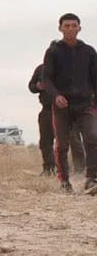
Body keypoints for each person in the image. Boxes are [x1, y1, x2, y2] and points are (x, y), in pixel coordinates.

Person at [40, 13, 97, 194]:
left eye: (74, 26)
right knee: (62, 144)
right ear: (60, 28)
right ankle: (64, 181)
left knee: (92, 137)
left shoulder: (89, 51)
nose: (71, 29)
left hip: (85, 104)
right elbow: (46, 79)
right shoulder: (53, 51)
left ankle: (91, 179)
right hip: (62, 105)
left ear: (79, 28)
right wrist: (56, 95)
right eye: (67, 26)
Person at [30, 62, 87, 177]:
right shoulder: (41, 69)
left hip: (66, 111)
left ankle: (79, 170)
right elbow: (31, 86)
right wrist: (37, 86)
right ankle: (49, 169)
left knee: (73, 140)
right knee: (45, 141)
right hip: (47, 110)